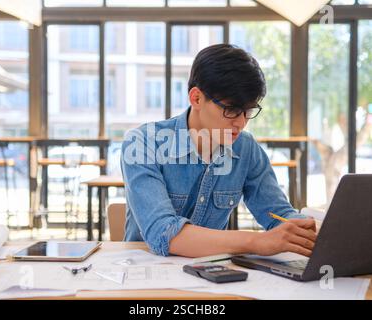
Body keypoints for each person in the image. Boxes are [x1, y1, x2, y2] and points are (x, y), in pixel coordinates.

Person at [121, 44, 316, 258]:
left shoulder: (246, 148)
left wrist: (312, 229)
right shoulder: (142, 143)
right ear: (196, 98)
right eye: (231, 110)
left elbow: (278, 214)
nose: (241, 123)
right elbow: (164, 234)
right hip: (146, 277)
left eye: (248, 111)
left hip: (214, 275)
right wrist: (258, 242)